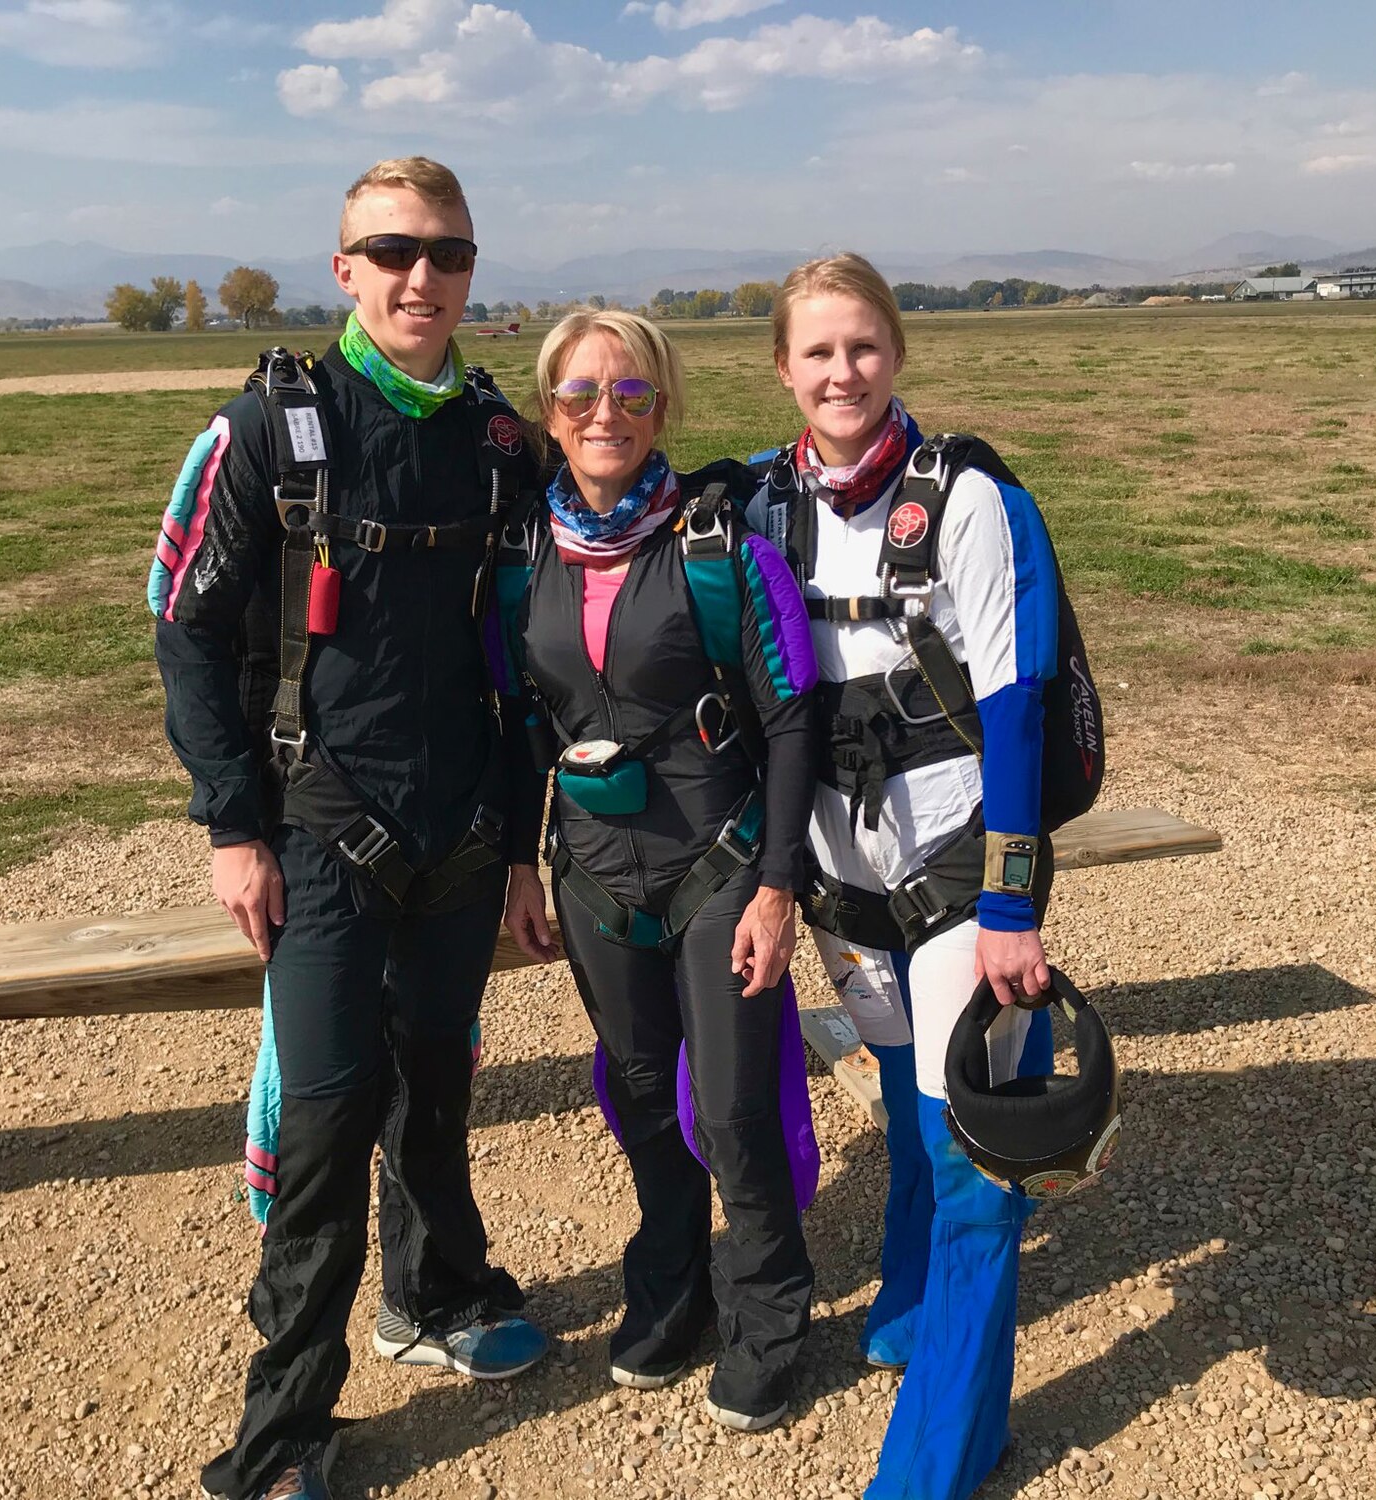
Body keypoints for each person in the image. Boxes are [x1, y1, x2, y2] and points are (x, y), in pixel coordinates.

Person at [150, 157, 547, 1500]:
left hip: (458, 837)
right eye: (392, 252)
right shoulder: (268, 428)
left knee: (435, 1097)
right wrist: (229, 825)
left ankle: (429, 1302)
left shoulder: (500, 441)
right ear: (345, 269)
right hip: (320, 839)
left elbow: (532, 649)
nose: (420, 276)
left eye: (446, 252)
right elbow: (189, 630)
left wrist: (518, 843)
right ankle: (284, 1438)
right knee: (322, 1133)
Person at [752, 253, 1068, 1500]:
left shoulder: (965, 502)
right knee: (899, 1087)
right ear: (782, 368)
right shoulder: (762, 505)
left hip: (951, 874)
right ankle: (907, 1300)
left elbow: (1018, 705)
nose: (841, 372)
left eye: (863, 348)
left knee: (977, 1150)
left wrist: (1008, 903)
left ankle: (942, 1454)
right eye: (817, 352)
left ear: (897, 356)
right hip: (840, 880)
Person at [496, 310, 820, 1432]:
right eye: (582, 394)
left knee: (730, 1109)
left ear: (663, 407)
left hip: (717, 864)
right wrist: (515, 865)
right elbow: (517, 725)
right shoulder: (521, 555)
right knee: (637, 1095)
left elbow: (790, 726)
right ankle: (671, 1287)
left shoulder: (723, 550)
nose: (605, 414)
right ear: (549, 411)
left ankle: (771, 1312)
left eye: (631, 394)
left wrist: (776, 885)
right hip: (588, 873)